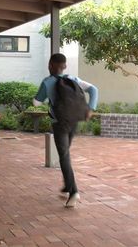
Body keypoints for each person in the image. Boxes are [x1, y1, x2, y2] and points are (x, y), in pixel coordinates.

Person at [33, 53, 98, 208]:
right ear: (65, 66)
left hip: (59, 122)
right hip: (74, 120)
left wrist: (43, 97)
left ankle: (74, 191)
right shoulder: (73, 79)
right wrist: (90, 108)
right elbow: (94, 90)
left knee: (64, 156)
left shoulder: (47, 82)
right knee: (65, 153)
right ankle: (67, 185)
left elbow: (36, 102)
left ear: (50, 65)